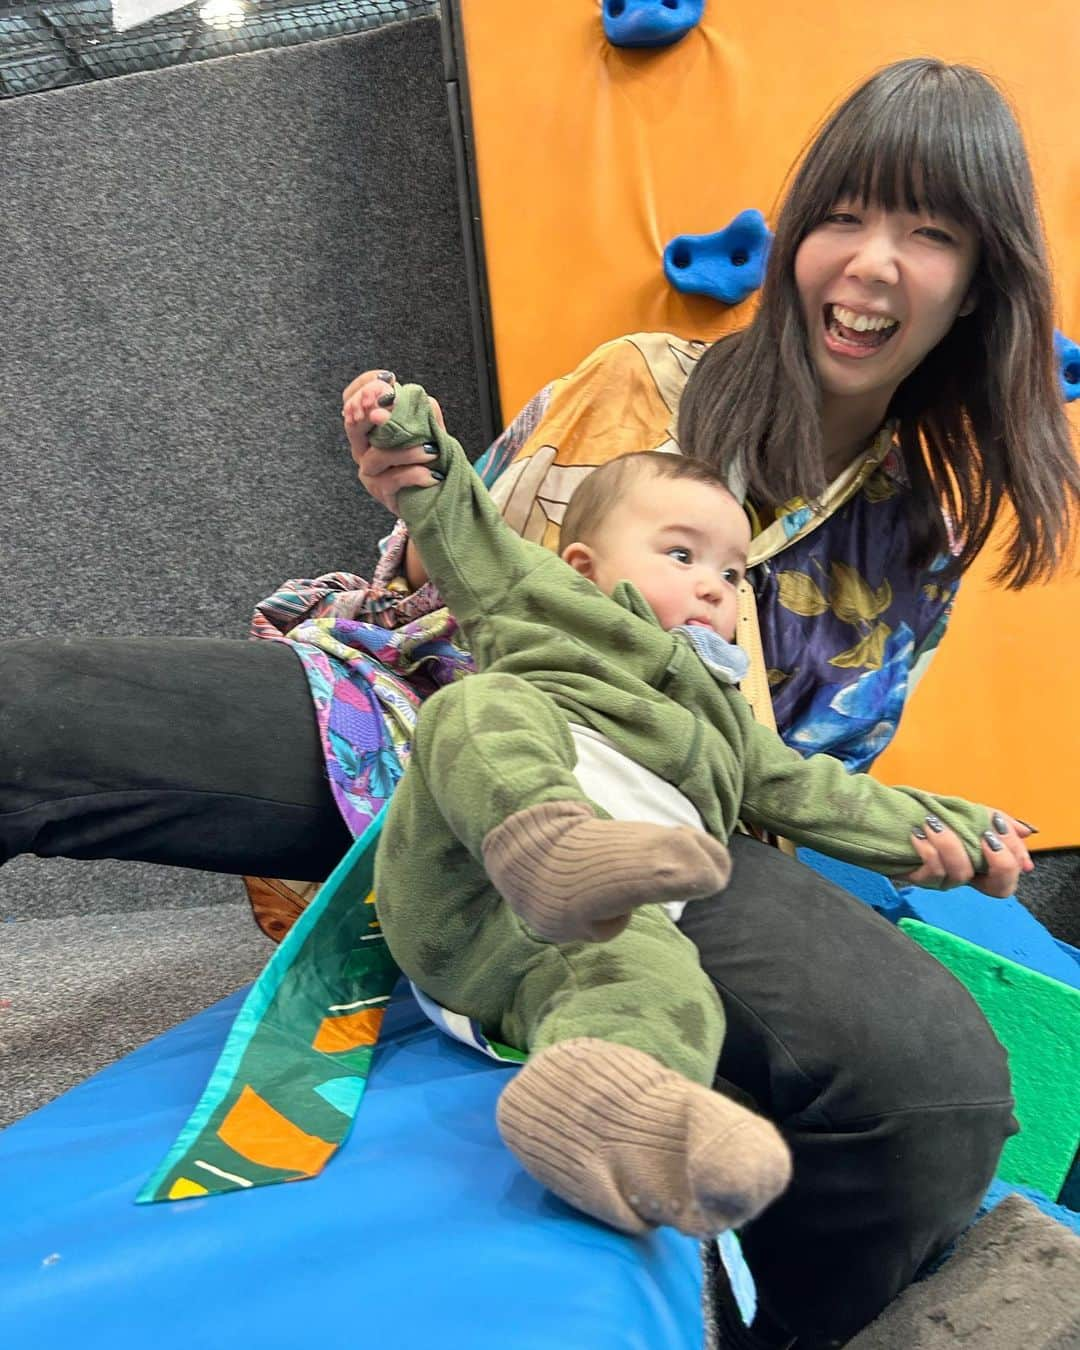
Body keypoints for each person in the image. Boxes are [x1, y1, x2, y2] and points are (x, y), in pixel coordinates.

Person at [0, 55, 1075, 1349]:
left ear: (977, 289)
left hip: (654, 820)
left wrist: (923, 830)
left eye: (931, 232)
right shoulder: (643, 382)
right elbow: (481, 595)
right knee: (29, 712)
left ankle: (762, 1318)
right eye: (846, 215)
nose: (872, 263)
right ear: (799, 233)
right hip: (419, 723)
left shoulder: (910, 543)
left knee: (938, 1088)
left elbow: (796, 780)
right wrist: (421, 473)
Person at [365, 379, 1030, 1246]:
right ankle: (551, 845)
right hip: (467, 876)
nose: (715, 588)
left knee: (664, 985)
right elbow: (471, 535)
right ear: (584, 568)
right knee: (481, 706)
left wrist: (958, 833)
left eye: (731, 572)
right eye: (681, 555)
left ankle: (606, 1121)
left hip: (569, 936)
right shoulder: (555, 612)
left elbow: (813, 789)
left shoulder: (725, 721)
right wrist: (416, 457)